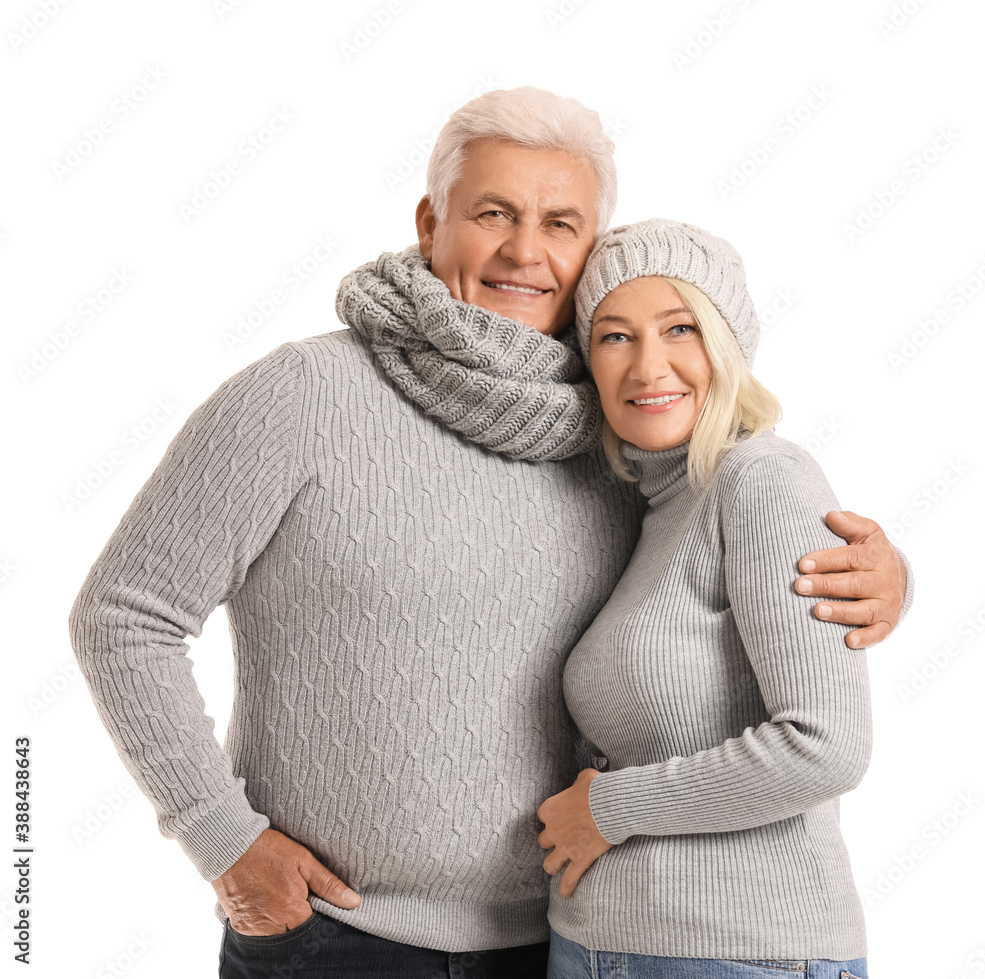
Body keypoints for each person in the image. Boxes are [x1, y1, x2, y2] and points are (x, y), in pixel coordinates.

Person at [69, 90, 907, 979]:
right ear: (432, 222)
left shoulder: (619, 435)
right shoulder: (304, 396)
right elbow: (126, 615)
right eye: (494, 213)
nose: (524, 250)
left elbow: (734, 539)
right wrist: (223, 839)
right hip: (335, 938)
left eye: (560, 223)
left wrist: (883, 575)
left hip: (562, 941)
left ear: (593, 254)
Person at [537, 218, 877, 979]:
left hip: (740, 951)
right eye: (615, 337)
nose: (647, 365)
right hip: (602, 944)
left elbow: (826, 745)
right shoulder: (654, 506)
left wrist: (610, 809)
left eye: (679, 328)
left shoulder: (762, 479)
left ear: (726, 344)